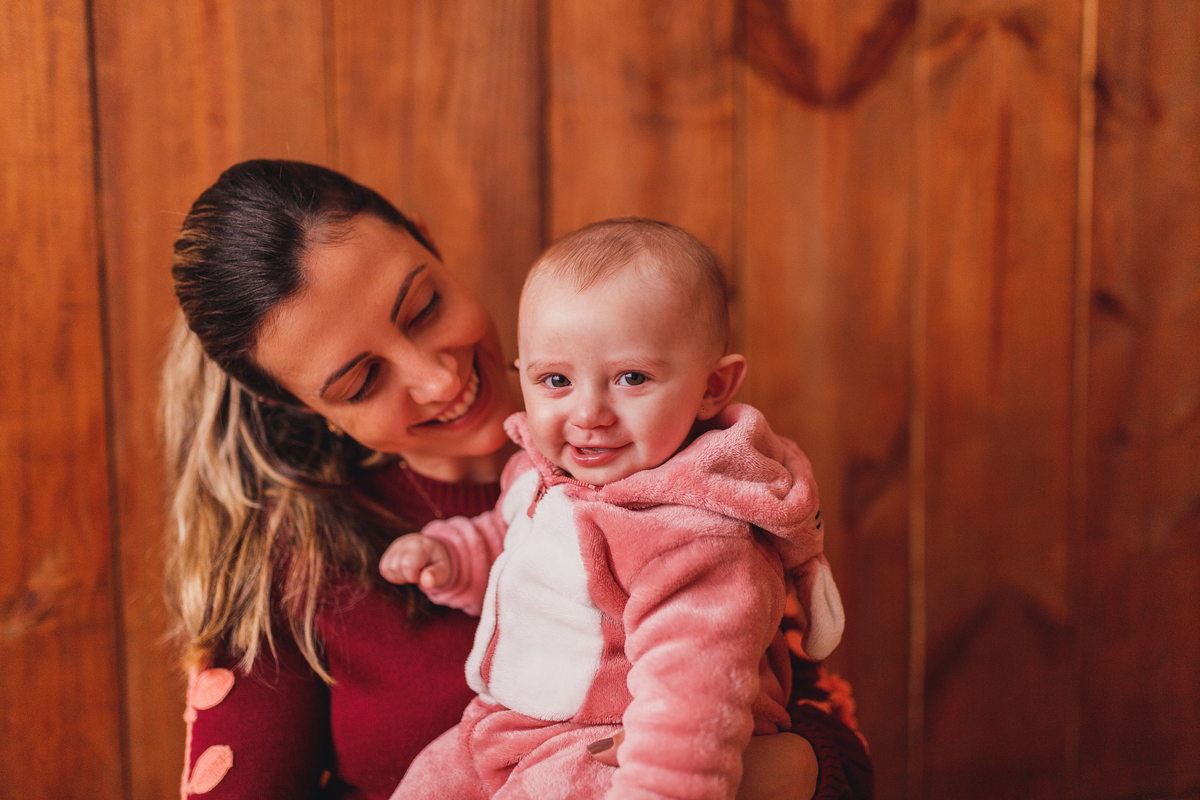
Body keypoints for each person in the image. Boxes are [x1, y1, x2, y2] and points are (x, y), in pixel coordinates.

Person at [165, 160, 872, 800]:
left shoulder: (688, 472)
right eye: (363, 380)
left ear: (429, 243)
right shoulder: (285, 562)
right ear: (300, 406)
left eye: (423, 308)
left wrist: (770, 770)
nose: (438, 378)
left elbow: (825, 730)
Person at [383, 219, 845, 799]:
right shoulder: (539, 474)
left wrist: (659, 788)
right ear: (522, 376)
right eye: (556, 379)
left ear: (713, 387)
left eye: (631, 378)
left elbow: (693, 701)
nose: (589, 413)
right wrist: (454, 556)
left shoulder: (694, 537)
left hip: (615, 741)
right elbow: (527, 552)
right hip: (503, 725)